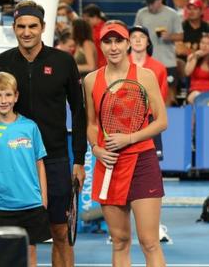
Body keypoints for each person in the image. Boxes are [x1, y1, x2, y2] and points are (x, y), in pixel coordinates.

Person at [0, 1, 87, 267]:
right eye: (21, 26)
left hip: (54, 160)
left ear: (43, 27)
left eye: (33, 26)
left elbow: (79, 112)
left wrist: (79, 159)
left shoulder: (63, 61)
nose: (27, 32)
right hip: (12, 164)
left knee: (60, 232)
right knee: (17, 237)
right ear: (13, 28)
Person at [83, 20, 167, 266]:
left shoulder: (146, 76)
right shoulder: (90, 80)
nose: (113, 47)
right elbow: (91, 124)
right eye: (107, 41)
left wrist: (129, 138)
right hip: (109, 165)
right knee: (119, 241)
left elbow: (161, 121)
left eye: (118, 40)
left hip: (142, 162)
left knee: (149, 242)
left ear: (127, 43)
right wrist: (96, 149)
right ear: (101, 45)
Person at [0, 72, 50, 267]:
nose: (4, 100)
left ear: (16, 96)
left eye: (8, 95)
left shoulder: (30, 127)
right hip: (1, 206)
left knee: (29, 255)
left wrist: (43, 198)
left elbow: (39, 163)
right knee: (4, 258)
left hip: (31, 203)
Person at [129, 25, 168, 160]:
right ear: (128, 42)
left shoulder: (159, 68)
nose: (138, 40)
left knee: (152, 161)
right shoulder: (120, 65)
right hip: (125, 119)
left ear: (148, 42)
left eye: (142, 37)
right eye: (134, 37)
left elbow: (161, 97)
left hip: (150, 121)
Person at [134, 0, 183, 105]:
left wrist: (169, 36)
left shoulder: (172, 14)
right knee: (143, 96)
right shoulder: (141, 13)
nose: (150, 6)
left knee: (169, 96)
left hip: (167, 62)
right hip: (146, 63)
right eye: (148, 3)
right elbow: (134, 34)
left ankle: (168, 121)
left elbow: (180, 36)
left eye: (152, 3)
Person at [184, 32, 209, 104]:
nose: (205, 46)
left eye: (208, 44)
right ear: (199, 44)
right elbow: (187, 73)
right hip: (195, 91)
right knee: (198, 97)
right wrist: (195, 57)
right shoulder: (192, 56)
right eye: (202, 43)